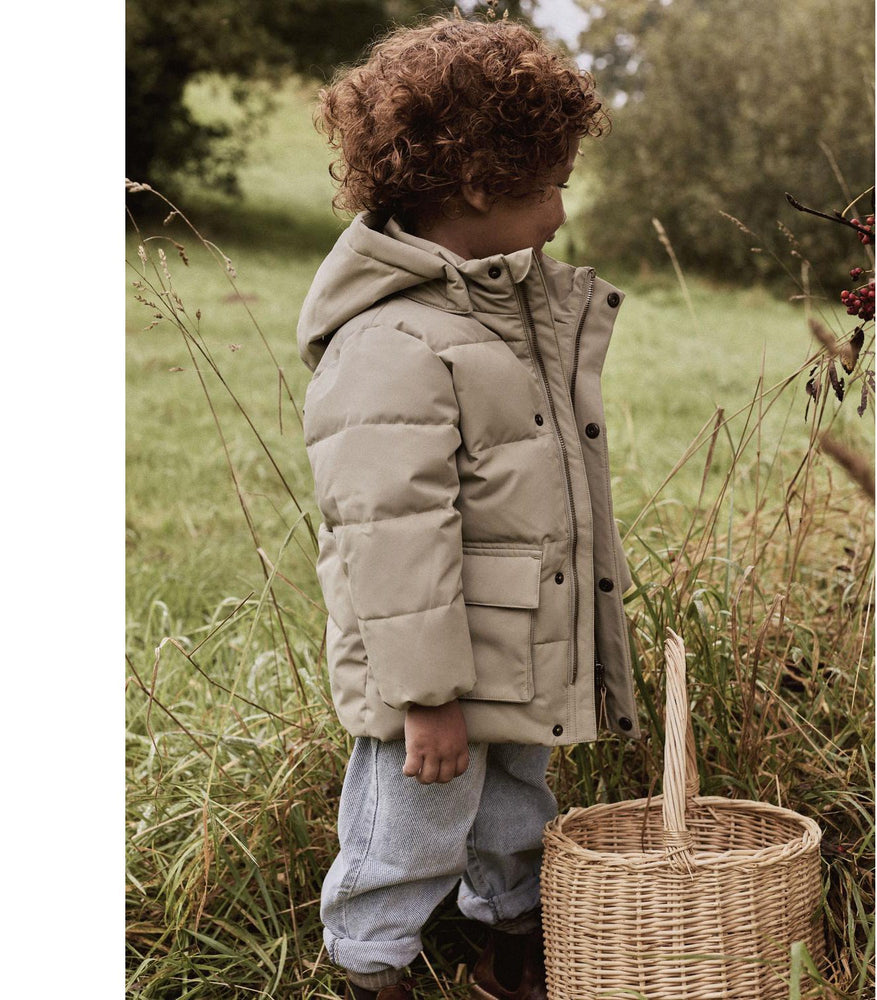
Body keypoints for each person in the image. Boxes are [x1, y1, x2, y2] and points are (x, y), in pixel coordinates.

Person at [297, 14, 639, 1000]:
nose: (561, 212)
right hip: (431, 671)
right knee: (407, 829)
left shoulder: (501, 309)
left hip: (518, 637)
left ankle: (511, 942)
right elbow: (390, 534)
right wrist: (428, 695)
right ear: (482, 186)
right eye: (550, 185)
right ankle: (371, 968)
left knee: (516, 810)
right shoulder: (392, 342)